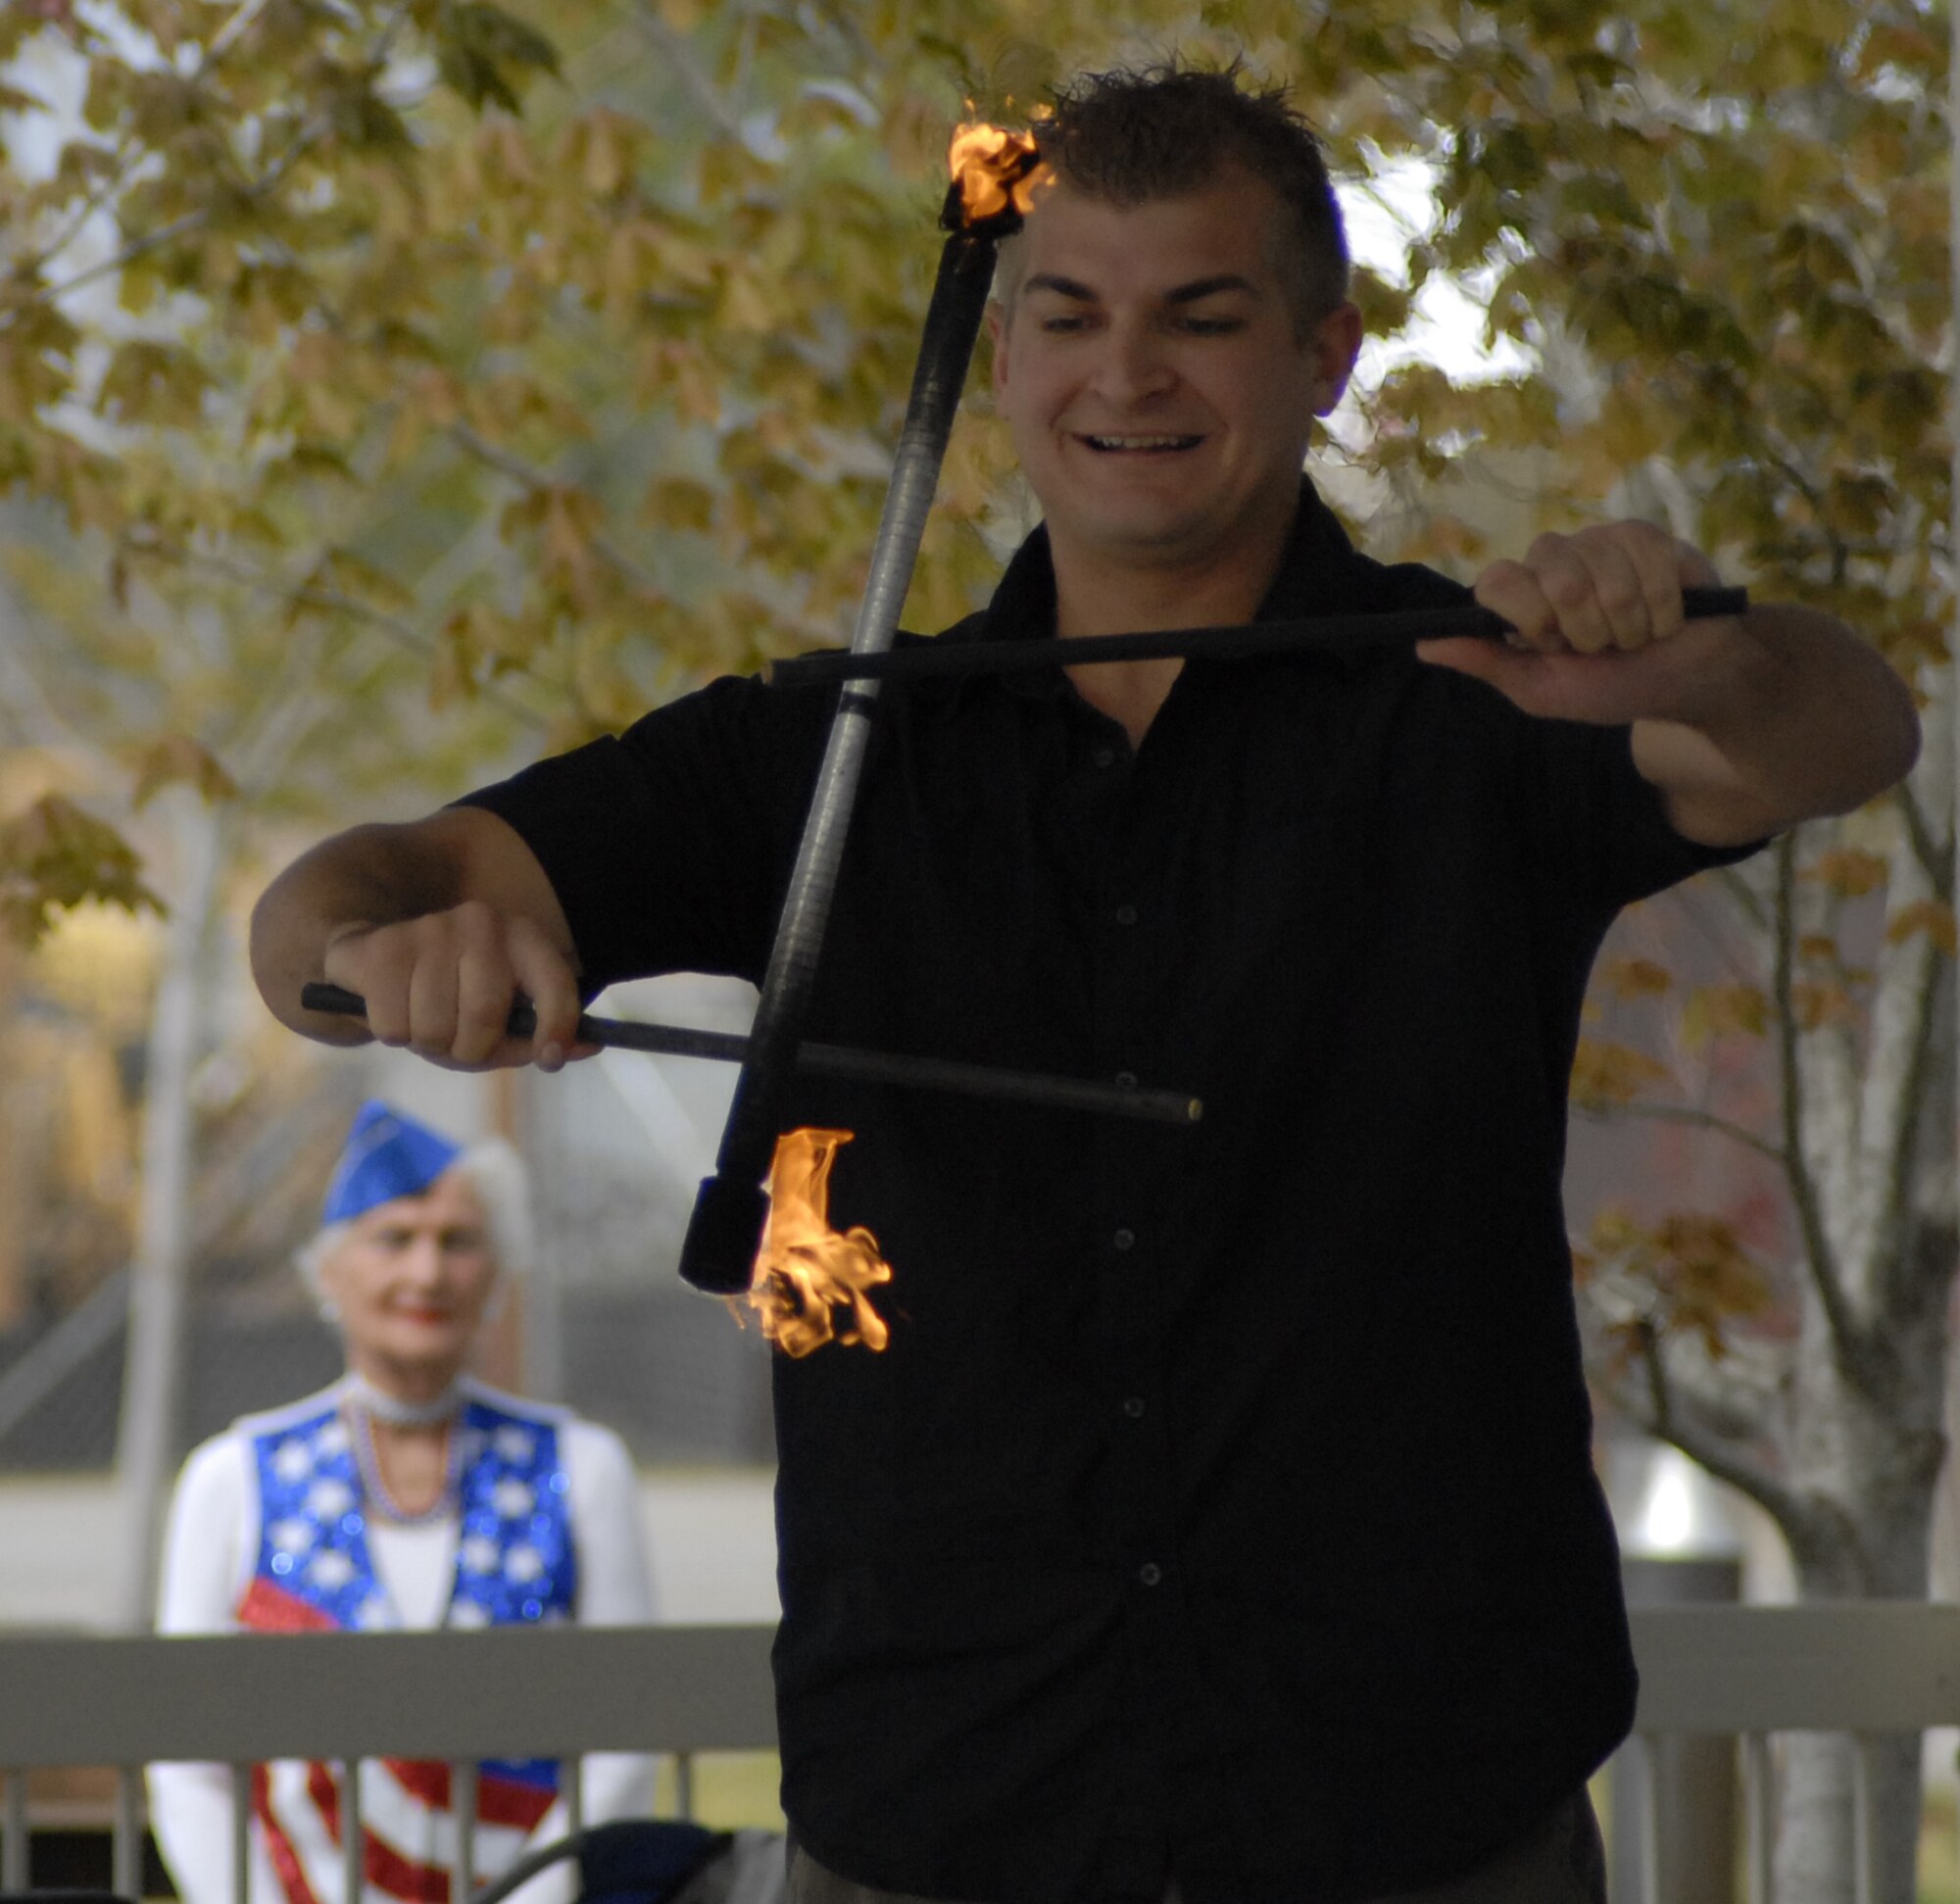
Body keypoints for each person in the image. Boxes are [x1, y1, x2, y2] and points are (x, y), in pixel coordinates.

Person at [247, 63, 1920, 1904]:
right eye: (1069, 315)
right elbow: (328, 904)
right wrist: (383, 948)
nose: (1126, 376)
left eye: (1201, 319)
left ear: (1326, 358)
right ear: (1013, 355)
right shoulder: (827, 749)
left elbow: (1841, 728)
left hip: (1420, 1812)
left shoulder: (1477, 692)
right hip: (939, 1816)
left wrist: (1695, 648)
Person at [149, 1099, 659, 1904]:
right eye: (394, 1238)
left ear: (497, 1271)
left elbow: (625, 1736)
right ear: (328, 1269)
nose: (426, 1272)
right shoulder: (232, 1476)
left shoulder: (583, 1466)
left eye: (457, 1242)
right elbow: (189, 1764)